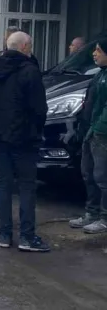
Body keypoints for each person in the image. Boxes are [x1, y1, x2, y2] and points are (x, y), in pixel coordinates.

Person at [0, 31, 50, 252]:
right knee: (26, 186)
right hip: (23, 138)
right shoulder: (29, 72)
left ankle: (4, 234)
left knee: (4, 184)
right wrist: (36, 130)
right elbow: (39, 109)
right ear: (25, 47)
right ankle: (27, 237)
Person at [69, 40, 107, 234]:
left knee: (102, 177)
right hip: (90, 132)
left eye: (99, 50)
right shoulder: (100, 74)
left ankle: (104, 218)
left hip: (101, 135)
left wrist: (98, 129)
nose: (94, 54)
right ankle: (91, 213)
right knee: (89, 173)